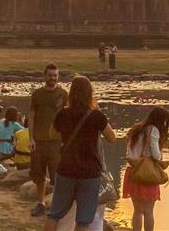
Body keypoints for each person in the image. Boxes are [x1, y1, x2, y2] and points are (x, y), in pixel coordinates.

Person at [43, 75, 116, 231]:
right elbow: (112, 138)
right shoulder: (96, 115)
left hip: (66, 169)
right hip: (90, 172)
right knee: (83, 219)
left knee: (55, 214)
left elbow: (51, 135)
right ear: (90, 93)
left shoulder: (63, 114)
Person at [28, 63, 68, 217]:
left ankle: (56, 206)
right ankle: (41, 203)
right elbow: (31, 115)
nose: (53, 78)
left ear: (58, 77)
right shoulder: (37, 94)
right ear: (44, 76)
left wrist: (66, 139)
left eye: (55, 75)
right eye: (50, 75)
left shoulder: (63, 94)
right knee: (39, 175)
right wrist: (31, 137)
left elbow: (68, 117)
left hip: (57, 142)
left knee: (57, 176)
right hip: (38, 141)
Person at [123, 107, 169, 231]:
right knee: (148, 211)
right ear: (160, 120)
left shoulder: (136, 129)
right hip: (147, 173)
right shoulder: (153, 130)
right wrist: (160, 154)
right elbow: (156, 155)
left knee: (137, 211)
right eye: (165, 122)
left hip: (133, 171)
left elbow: (129, 152)